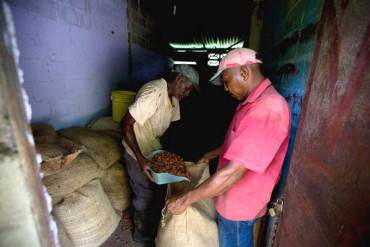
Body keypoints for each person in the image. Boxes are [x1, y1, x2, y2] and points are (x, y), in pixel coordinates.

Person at [166, 48, 291, 247]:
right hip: (229, 197)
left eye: (226, 81)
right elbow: (236, 143)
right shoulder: (250, 104)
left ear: (244, 73)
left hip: (240, 205)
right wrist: (211, 154)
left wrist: (186, 198)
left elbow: (233, 173)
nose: (225, 88)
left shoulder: (267, 110)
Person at [121, 65, 199, 244]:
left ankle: (152, 225)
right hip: (136, 151)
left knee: (157, 191)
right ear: (179, 79)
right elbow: (126, 124)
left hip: (152, 149)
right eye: (187, 88)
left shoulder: (174, 99)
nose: (187, 94)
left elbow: (172, 130)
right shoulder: (154, 92)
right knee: (143, 194)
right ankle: (140, 233)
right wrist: (140, 158)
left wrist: (172, 157)